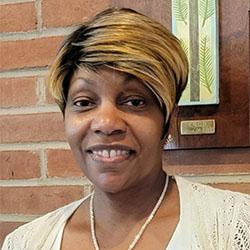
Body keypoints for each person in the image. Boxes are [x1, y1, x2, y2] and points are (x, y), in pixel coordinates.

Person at [2, 7, 249, 250]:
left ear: (167, 119)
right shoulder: (26, 242)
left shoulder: (235, 225)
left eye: (134, 101)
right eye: (84, 102)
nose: (106, 124)